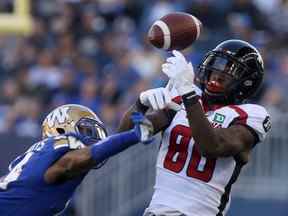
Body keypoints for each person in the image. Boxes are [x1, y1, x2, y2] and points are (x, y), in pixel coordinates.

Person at [119, 40, 271, 216]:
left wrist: (187, 94)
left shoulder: (250, 115)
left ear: (247, 83)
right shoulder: (184, 99)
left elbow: (212, 146)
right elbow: (126, 136)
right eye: (215, 68)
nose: (216, 76)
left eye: (227, 73)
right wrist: (140, 104)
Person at [0, 104, 153, 215]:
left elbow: (109, 144)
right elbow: (75, 160)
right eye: (86, 130)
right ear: (61, 129)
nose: (94, 137)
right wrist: (134, 135)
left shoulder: (32, 159)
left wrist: (140, 104)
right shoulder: (62, 154)